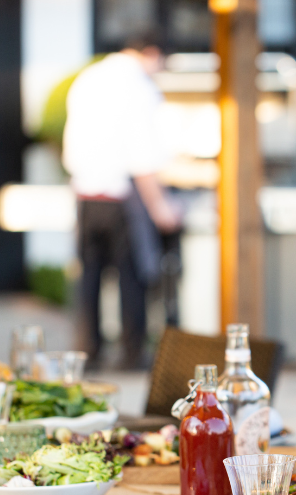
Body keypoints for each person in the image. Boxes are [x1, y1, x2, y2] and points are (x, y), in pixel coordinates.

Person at [62, 32, 180, 370]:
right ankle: (132, 353)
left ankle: (88, 352)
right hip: (122, 198)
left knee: (89, 278)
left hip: (85, 194)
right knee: (132, 277)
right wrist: (161, 206)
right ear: (152, 53)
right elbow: (143, 158)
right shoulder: (139, 88)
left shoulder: (88, 78)